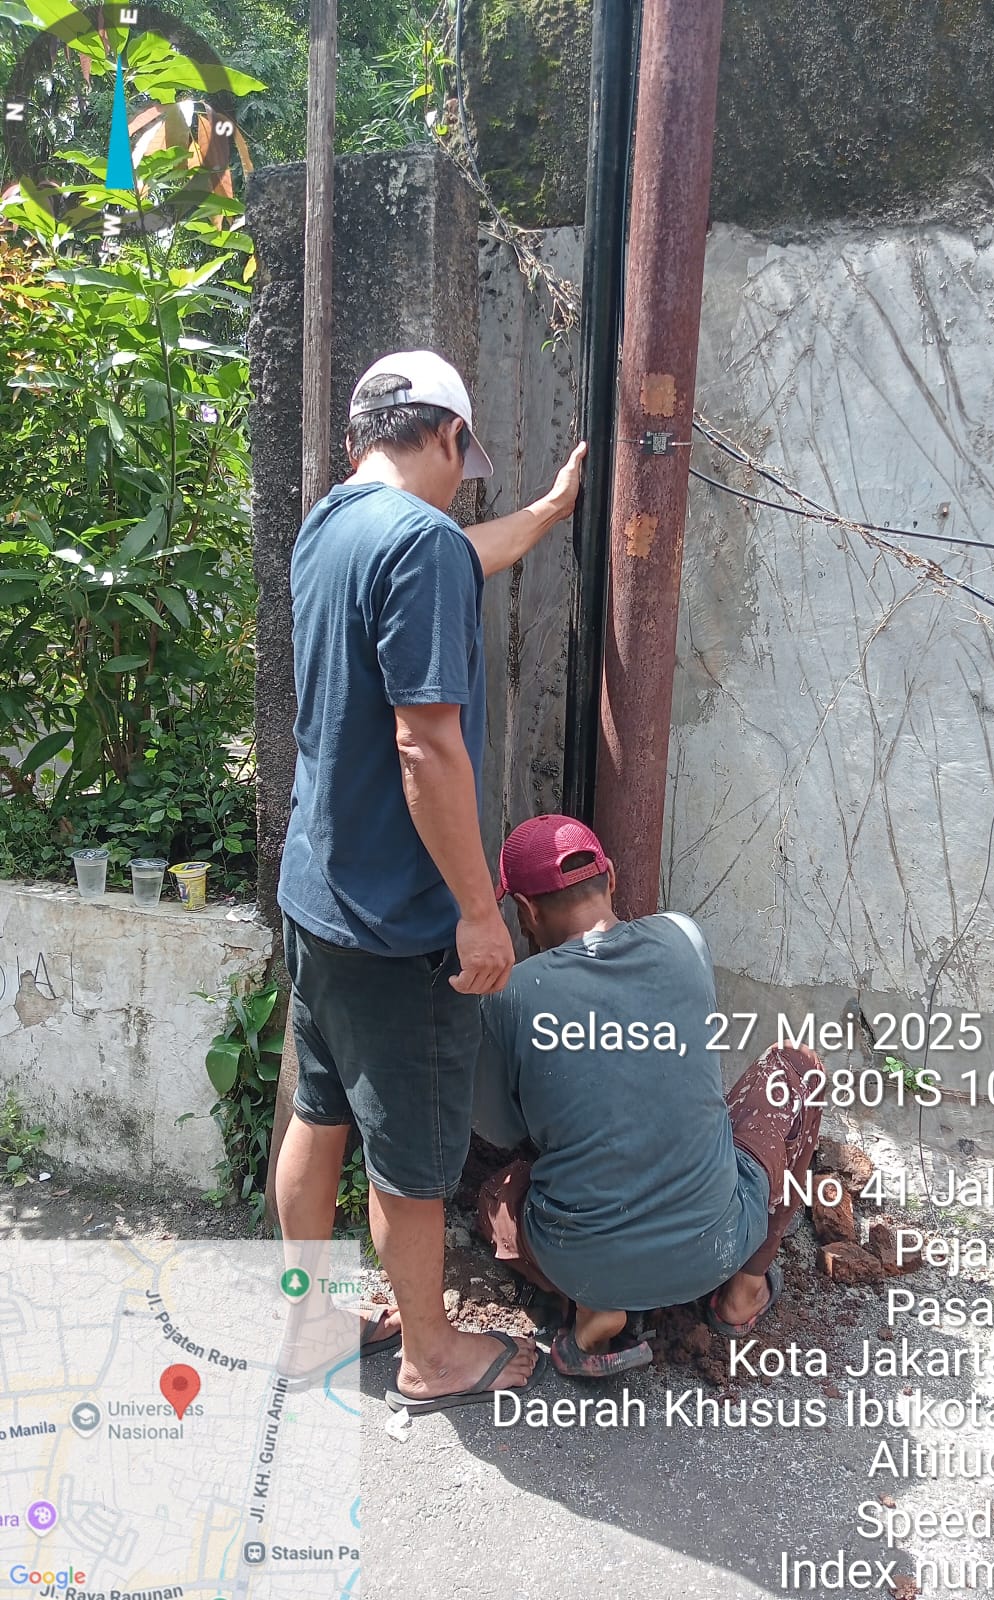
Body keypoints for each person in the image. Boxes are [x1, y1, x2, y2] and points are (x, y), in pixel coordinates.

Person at [273, 350, 585, 1413]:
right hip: (402, 924)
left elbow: (457, 554)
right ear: (450, 436)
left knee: (320, 1113)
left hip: (319, 897)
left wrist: (544, 514)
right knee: (406, 1161)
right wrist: (479, 913)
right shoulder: (419, 543)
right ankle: (430, 1354)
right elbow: (426, 747)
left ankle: (311, 1323)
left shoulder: (333, 525)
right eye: (467, 458)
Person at [473, 813, 826, 1378]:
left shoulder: (511, 994)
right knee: (799, 1068)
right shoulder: (684, 937)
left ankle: (596, 1312)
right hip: (718, 1244)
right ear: (611, 879)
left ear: (525, 911)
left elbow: (501, 1130)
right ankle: (743, 1292)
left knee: (497, 1197)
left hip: (586, 1265)